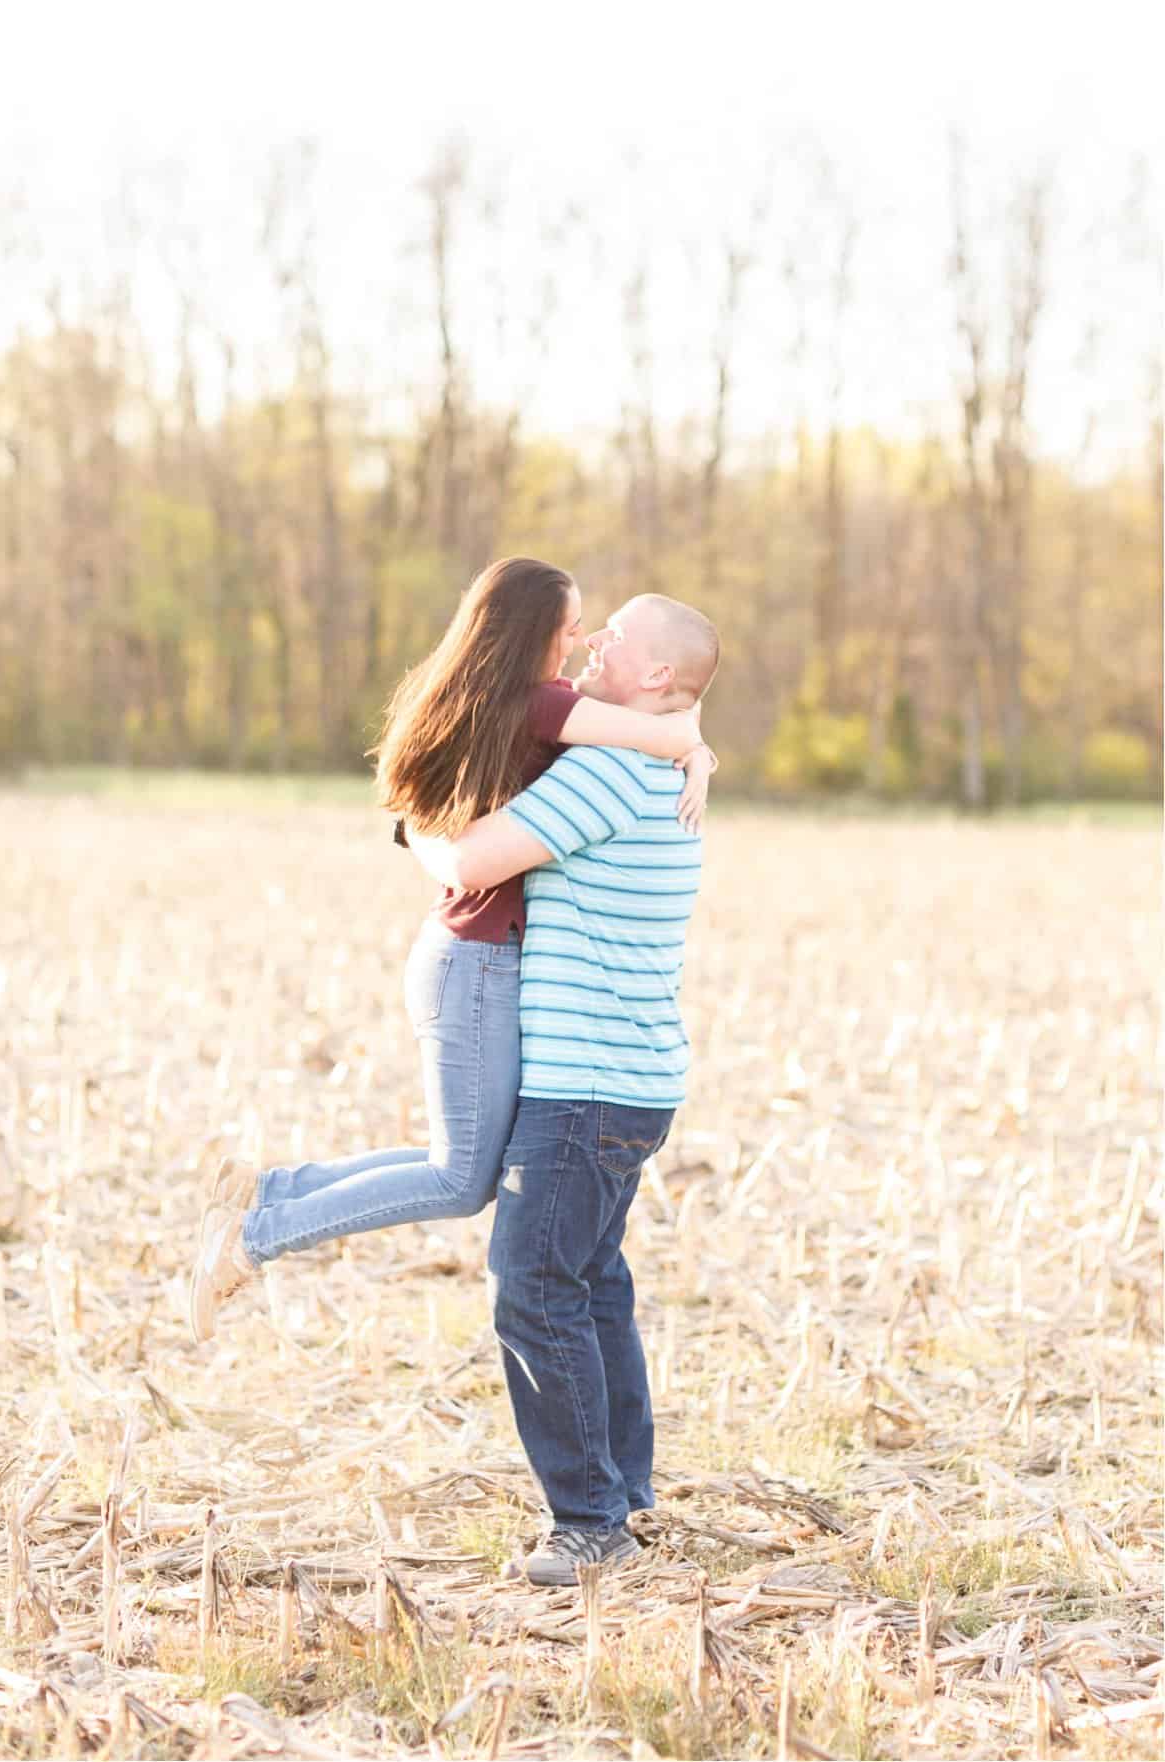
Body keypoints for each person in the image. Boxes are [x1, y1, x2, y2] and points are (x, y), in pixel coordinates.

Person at [188, 560, 716, 1343]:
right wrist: (692, 748)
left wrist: (694, 748)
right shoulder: (534, 703)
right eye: (572, 628)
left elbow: (666, 727)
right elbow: (660, 730)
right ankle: (253, 1236)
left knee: (465, 1165)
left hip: (469, 953)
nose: (583, 642)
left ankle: (267, 1190)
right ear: (530, 633)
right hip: (475, 959)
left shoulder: (493, 699)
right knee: (461, 1177)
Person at [405, 592, 719, 1585]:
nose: (589, 642)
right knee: (591, 1281)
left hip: (584, 1085)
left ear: (659, 678)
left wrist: (405, 827)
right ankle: (623, 1488)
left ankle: (590, 1524)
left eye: (614, 635)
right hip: (630, 1079)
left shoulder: (614, 770)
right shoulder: (658, 759)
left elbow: (468, 861)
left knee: (536, 1287)